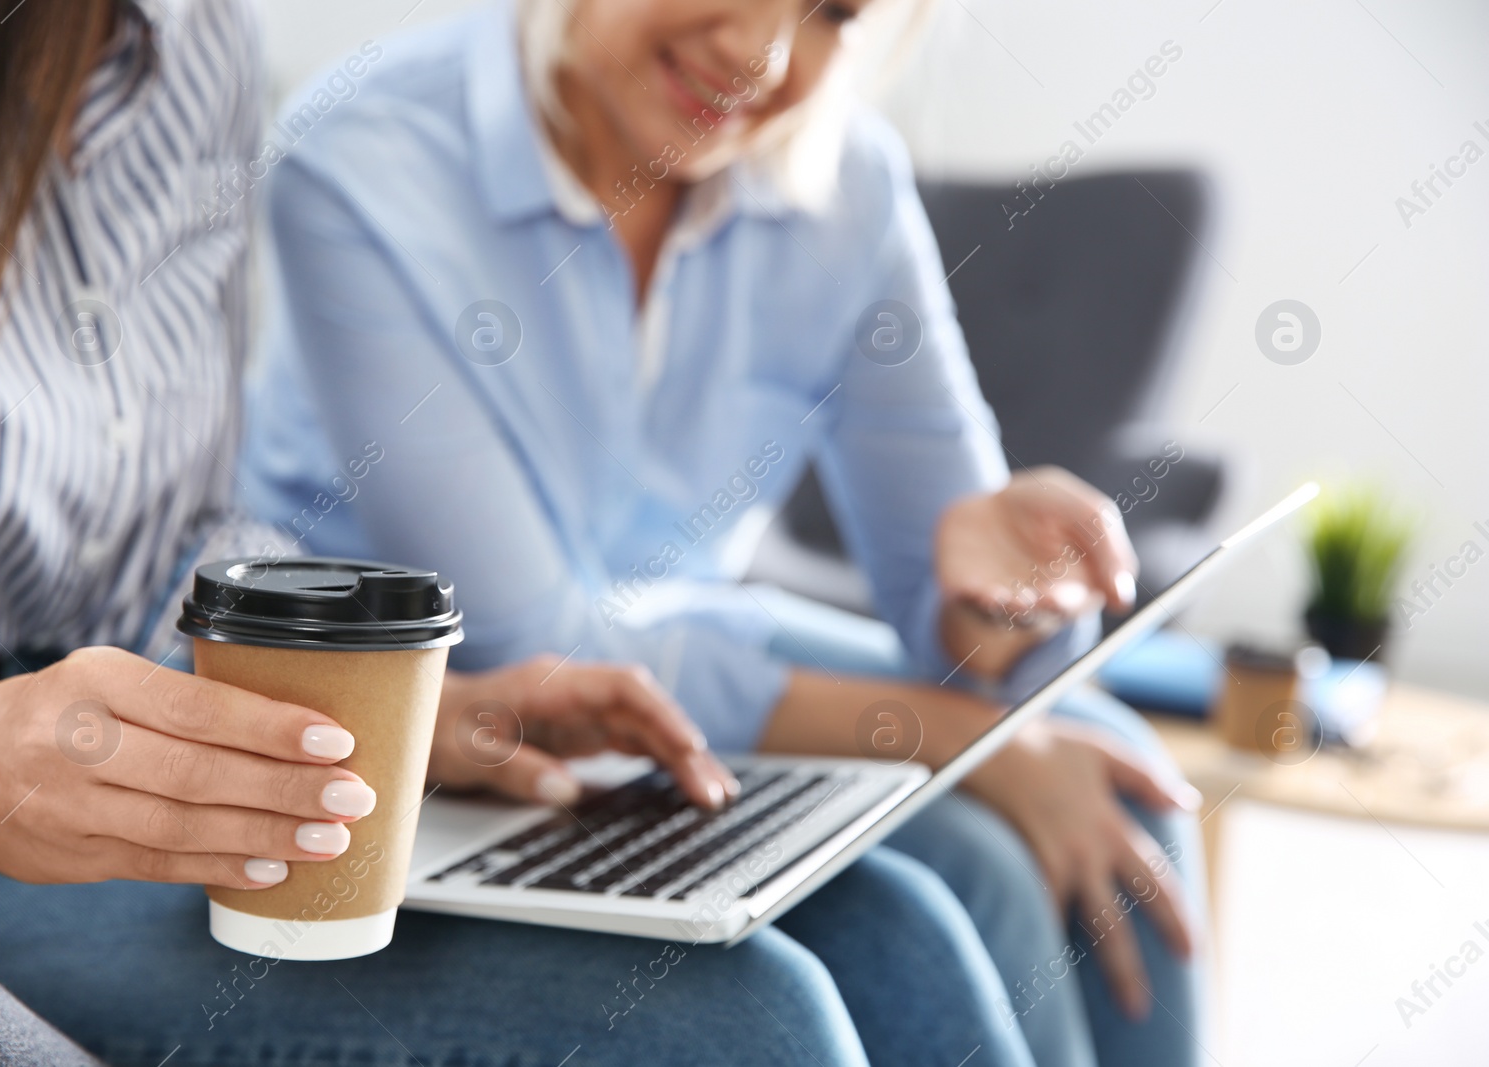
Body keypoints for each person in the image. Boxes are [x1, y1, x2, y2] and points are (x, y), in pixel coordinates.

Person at [0, 1, 1042, 1063]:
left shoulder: (190, 46)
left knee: (899, 927)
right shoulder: (366, 148)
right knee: (748, 1018)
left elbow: (164, 550)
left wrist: (402, 718)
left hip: (137, 742)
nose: (763, 54)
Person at [245, 0, 1209, 1064]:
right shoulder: (362, 160)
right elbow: (528, 647)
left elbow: (970, 639)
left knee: (1116, 758)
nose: (765, 59)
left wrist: (996, 606)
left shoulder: (847, 184)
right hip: (438, 710)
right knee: (975, 851)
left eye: (835, 13)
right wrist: (966, 741)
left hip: (675, 654)